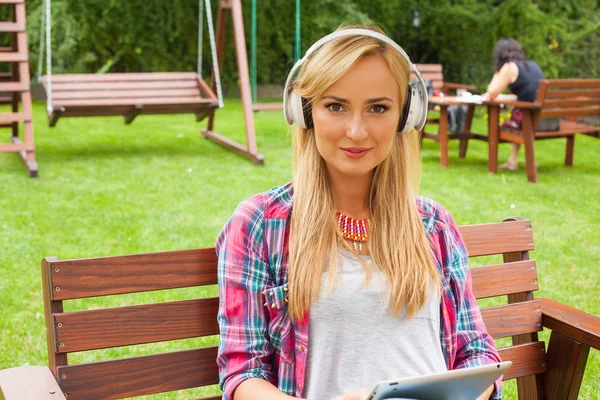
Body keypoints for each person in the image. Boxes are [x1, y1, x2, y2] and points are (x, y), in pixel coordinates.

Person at [216, 25, 502, 400]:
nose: (356, 131)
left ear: (405, 116)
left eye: (378, 108)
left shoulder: (434, 225)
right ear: (305, 112)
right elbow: (242, 375)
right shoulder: (259, 224)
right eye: (335, 106)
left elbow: (477, 353)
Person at [482, 38, 555, 171]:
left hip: (530, 121)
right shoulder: (532, 64)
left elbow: (491, 92)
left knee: (512, 121)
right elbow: (528, 94)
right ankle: (512, 161)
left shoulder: (509, 67)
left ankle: (495, 165)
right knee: (518, 114)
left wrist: (498, 70)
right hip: (549, 120)